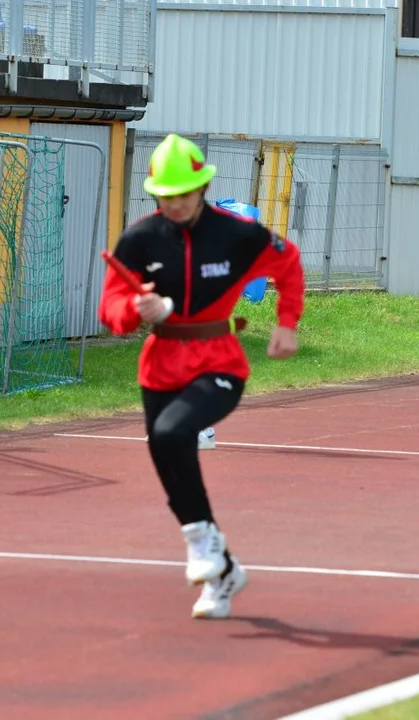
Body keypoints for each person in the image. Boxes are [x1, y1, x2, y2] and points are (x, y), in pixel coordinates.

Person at [98, 133, 305, 619]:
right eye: (164, 197)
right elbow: (110, 307)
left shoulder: (236, 234)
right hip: (160, 361)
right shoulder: (139, 239)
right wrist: (133, 308)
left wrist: (287, 324)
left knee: (173, 432)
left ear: (202, 188)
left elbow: (288, 262)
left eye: (183, 195)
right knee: (170, 464)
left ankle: (200, 546)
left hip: (219, 362)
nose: (173, 205)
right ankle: (222, 571)